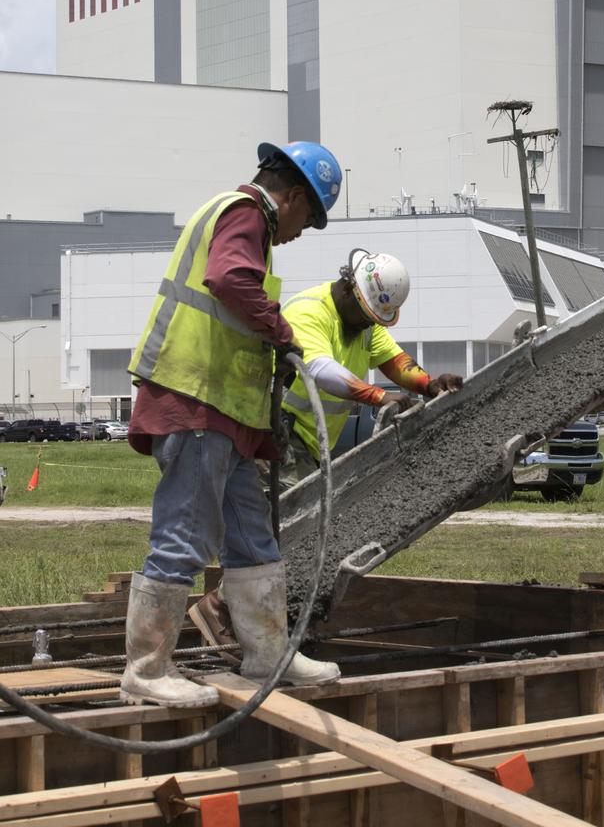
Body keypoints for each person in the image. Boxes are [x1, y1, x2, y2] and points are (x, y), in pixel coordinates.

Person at [120, 140, 344, 709]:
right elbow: (229, 280)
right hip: (196, 399)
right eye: (308, 219)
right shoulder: (245, 213)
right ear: (291, 197)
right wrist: (281, 330)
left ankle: (268, 654)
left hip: (227, 415)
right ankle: (146, 670)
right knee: (185, 535)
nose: (300, 233)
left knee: (252, 538)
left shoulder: (242, 219)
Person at [189, 248, 463, 652]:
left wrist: (428, 383)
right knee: (284, 535)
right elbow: (319, 369)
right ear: (351, 289)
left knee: (293, 536)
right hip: (274, 435)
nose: (373, 325)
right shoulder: (310, 311)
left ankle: (256, 621)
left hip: (306, 445)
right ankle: (224, 610)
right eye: (369, 315)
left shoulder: (362, 322)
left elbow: (394, 360)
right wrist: (377, 397)